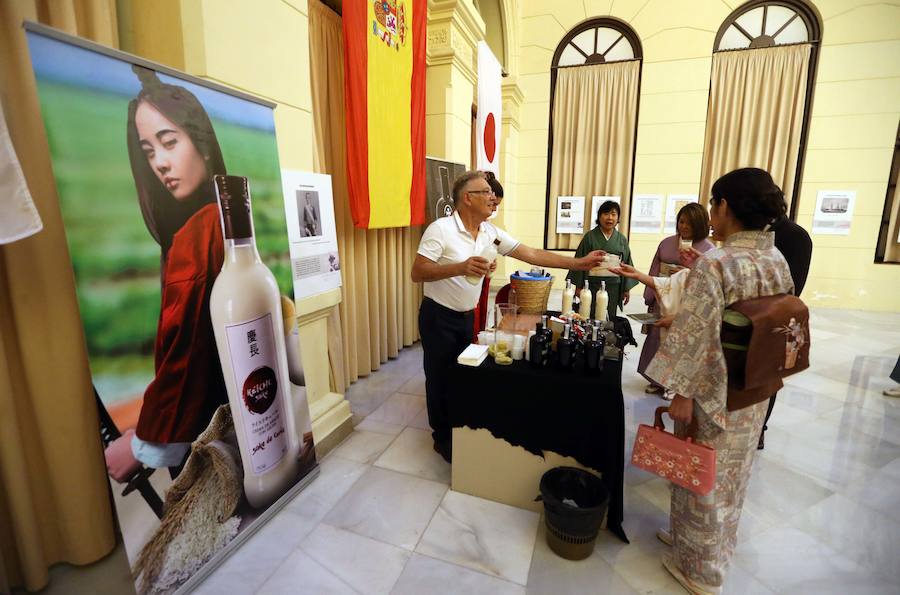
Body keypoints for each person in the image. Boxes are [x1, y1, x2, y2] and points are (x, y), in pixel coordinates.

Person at [644, 168, 795, 594]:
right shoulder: (775, 257)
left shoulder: (719, 261)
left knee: (701, 473)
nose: (712, 212)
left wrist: (682, 391)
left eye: (714, 203)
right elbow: (742, 319)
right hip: (755, 382)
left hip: (714, 387)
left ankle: (701, 572)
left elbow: (698, 334)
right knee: (731, 475)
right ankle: (695, 544)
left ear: (726, 206)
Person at [411, 171, 605, 462]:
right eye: (486, 192)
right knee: (438, 377)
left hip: (466, 316)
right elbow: (418, 272)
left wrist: (579, 263)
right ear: (468, 198)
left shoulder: (491, 233)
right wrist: (460, 267)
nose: (493, 197)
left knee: (462, 373)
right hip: (438, 316)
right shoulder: (440, 229)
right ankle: (442, 436)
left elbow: (532, 254)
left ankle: (459, 427)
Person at [104, 66, 229, 483]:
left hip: (205, 431)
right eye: (147, 151)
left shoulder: (200, 231)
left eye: (168, 142)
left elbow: (184, 351)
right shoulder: (224, 218)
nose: (159, 162)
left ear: (204, 145)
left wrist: (142, 444)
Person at [638, 203, 715, 395]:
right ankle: (656, 379)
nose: (684, 227)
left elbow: (709, 281)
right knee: (657, 338)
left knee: (679, 343)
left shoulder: (709, 249)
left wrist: (687, 273)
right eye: (681, 221)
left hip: (686, 302)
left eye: (689, 223)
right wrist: (650, 296)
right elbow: (655, 269)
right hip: (661, 297)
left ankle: (673, 383)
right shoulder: (666, 243)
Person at [758, 206, 813, 448]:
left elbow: (792, 286)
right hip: (750, 320)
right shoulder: (755, 233)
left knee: (766, 377)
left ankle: (759, 428)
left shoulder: (794, 235)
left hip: (772, 321)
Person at [566, 200, 638, 321]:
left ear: (618, 218)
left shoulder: (621, 239)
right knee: (588, 313)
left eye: (613, 214)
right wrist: (578, 286)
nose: (610, 218)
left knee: (609, 316)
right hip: (591, 284)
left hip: (613, 286)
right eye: (606, 214)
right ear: (599, 217)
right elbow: (580, 260)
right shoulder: (590, 237)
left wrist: (626, 288)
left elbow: (626, 263)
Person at [473, 170, 504, 339]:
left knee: (479, 321)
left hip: (482, 279)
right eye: (492, 204)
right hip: (465, 286)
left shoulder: (487, 226)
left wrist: (492, 263)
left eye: (496, 206)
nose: (493, 210)